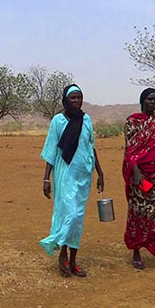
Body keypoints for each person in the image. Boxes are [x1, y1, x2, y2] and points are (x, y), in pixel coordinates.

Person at [40, 84, 104, 277]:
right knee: (70, 213)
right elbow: (51, 150)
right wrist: (46, 178)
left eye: (79, 98)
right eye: (73, 98)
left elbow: (91, 146)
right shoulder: (58, 121)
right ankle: (62, 256)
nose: (76, 101)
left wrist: (100, 173)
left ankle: (73, 258)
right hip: (64, 173)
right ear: (65, 100)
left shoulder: (86, 120)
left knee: (78, 218)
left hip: (83, 175)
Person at [122, 88, 155, 277]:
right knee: (139, 213)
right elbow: (130, 151)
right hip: (141, 179)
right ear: (142, 101)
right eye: (149, 99)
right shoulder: (133, 122)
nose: (152, 103)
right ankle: (136, 252)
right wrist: (136, 173)